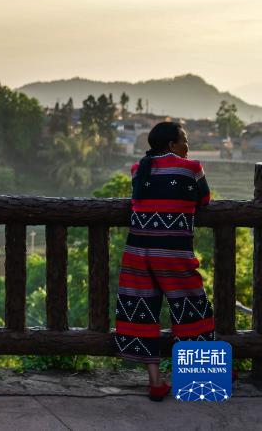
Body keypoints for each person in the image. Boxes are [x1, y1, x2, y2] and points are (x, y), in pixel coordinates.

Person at [114, 121, 215, 401]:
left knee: (143, 311)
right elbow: (204, 199)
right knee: (192, 307)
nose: (187, 145)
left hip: (137, 252)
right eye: (184, 139)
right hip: (173, 253)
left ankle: (156, 381)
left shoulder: (138, 169)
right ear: (171, 144)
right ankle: (203, 374)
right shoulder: (192, 168)